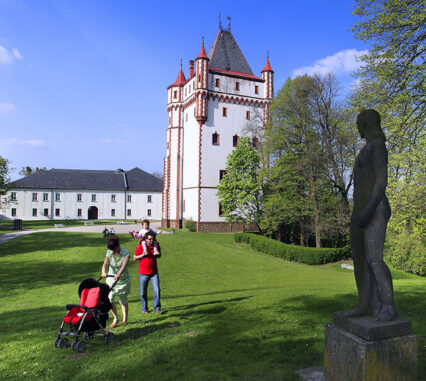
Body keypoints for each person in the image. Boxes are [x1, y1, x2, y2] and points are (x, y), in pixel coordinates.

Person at [343, 109, 397, 322]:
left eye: (359, 123)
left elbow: (381, 182)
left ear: (366, 125)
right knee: (359, 258)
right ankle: (366, 304)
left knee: (374, 259)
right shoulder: (366, 149)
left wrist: (368, 210)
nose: (357, 127)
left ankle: (388, 305)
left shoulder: (378, 147)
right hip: (361, 211)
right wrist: (358, 211)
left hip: (374, 210)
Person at [101, 236, 131, 328]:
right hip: (111, 279)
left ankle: (125, 320)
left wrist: (118, 273)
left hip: (123, 279)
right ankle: (115, 318)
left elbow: (124, 266)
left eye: (115, 249)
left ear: (118, 246)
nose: (114, 252)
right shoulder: (109, 252)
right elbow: (105, 263)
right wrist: (103, 272)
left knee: (123, 299)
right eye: (112, 250)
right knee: (110, 298)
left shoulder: (125, 253)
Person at [133, 231, 163, 314]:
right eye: (150, 239)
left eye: (153, 239)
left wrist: (158, 255)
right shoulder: (140, 247)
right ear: (146, 239)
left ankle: (157, 308)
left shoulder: (156, 246)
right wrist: (142, 255)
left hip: (154, 272)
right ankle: (144, 309)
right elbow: (134, 257)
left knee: (157, 290)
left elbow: (160, 255)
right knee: (143, 292)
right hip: (143, 273)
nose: (151, 241)